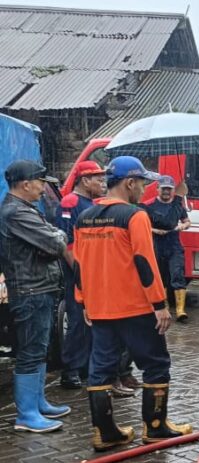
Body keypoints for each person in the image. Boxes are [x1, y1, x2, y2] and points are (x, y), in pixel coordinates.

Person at [74, 156, 192, 451]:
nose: (144, 190)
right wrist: (159, 304)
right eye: (142, 183)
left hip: (100, 308)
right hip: (135, 308)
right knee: (156, 364)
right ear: (129, 183)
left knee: (100, 369)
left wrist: (83, 301)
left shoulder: (84, 216)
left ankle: (105, 433)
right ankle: (155, 427)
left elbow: (79, 265)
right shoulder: (135, 216)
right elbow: (144, 262)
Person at [0, 160, 73, 433]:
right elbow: (55, 242)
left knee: (40, 348)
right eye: (41, 183)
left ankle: (38, 402)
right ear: (26, 183)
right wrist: (53, 240)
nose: (44, 189)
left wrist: (53, 239)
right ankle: (27, 414)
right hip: (30, 290)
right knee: (30, 351)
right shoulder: (15, 213)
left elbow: (54, 238)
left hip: (40, 288)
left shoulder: (25, 210)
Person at [57, 160, 106, 390]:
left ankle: (86, 366)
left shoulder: (92, 203)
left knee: (90, 321)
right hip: (78, 271)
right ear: (85, 180)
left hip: (93, 271)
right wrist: (78, 272)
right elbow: (65, 241)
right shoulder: (71, 201)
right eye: (98, 179)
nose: (102, 183)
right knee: (77, 320)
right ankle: (70, 370)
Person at [144, 175, 191, 322]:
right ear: (157, 189)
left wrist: (182, 226)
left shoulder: (178, 207)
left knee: (177, 275)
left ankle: (180, 310)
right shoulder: (148, 206)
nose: (166, 192)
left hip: (174, 245)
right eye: (164, 189)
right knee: (160, 277)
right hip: (157, 245)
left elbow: (187, 221)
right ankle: (163, 307)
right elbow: (143, 225)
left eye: (169, 189)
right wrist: (154, 231)